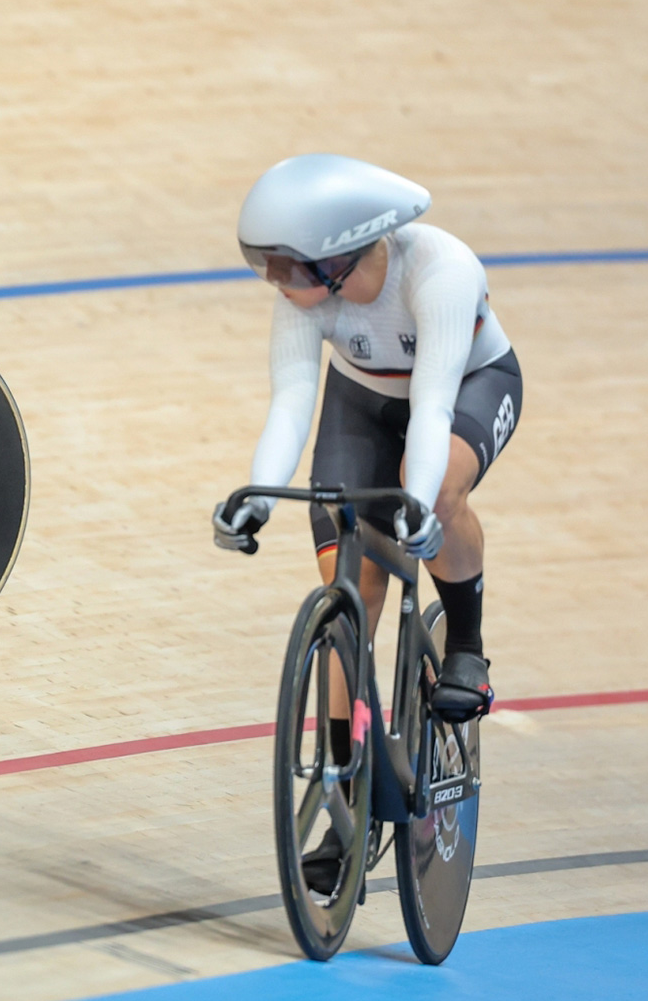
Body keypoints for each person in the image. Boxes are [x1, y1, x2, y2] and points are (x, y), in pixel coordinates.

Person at [212, 154, 522, 884]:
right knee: (350, 600)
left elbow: (435, 405)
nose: (273, 283)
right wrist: (258, 492)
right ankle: (342, 798)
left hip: (467, 387)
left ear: (344, 256)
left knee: (440, 492)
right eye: (265, 264)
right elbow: (292, 400)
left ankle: (467, 647)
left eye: (286, 267)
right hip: (363, 405)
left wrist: (415, 505)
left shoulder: (439, 271)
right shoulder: (310, 296)